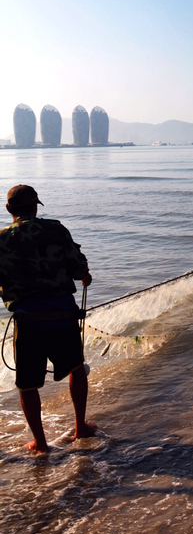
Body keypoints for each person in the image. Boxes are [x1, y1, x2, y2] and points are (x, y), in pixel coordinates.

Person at [0, 185, 96, 453]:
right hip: (63, 317)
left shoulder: (1, 239)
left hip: (27, 322)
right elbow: (79, 268)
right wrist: (85, 276)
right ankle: (80, 427)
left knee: (27, 384)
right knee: (76, 369)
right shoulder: (55, 230)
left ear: (9, 209)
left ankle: (40, 444)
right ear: (35, 207)